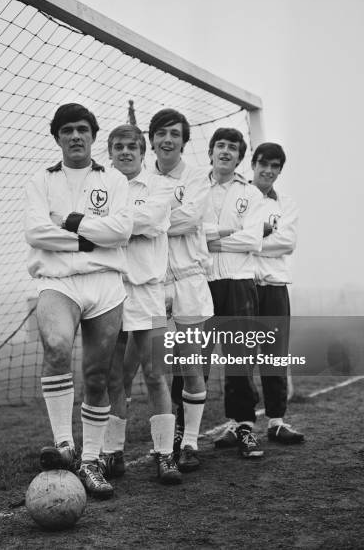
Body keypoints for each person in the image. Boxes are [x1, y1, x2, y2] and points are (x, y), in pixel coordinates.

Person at [24, 103, 132, 499]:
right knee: (55, 347)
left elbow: (121, 231)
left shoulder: (115, 180)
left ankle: (90, 462)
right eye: (67, 130)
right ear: (57, 137)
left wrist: (69, 227)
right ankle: (64, 446)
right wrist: (90, 238)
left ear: (92, 135)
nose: (75, 136)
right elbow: (36, 232)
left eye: (82, 129)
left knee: (98, 376)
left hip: (106, 284)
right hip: (58, 281)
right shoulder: (41, 180)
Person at [101, 124, 182, 485]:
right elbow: (92, 227)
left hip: (148, 291)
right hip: (111, 289)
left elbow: (149, 222)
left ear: (142, 151)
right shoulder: (100, 187)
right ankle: (112, 454)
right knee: (113, 377)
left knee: (154, 374)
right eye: (118, 147)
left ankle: (165, 455)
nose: (125, 152)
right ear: (110, 152)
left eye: (132, 146)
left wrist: (109, 225)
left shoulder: (160, 187)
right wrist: (103, 225)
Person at [150, 108, 213, 473]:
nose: (168, 139)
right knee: (156, 369)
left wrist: (151, 221)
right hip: (154, 286)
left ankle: (189, 442)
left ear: (184, 141)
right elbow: (134, 223)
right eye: (161, 133)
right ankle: (163, 442)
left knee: (191, 367)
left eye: (175, 133)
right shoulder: (141, 179)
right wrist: (156, 218)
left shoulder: (196, 178)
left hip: (189, 281)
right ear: (152, 139)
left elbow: (191, 218)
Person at [202, 127, 265, 458]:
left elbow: (253, 240)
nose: (225, 151)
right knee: (196, 360)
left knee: (240, 359)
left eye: (232, 147)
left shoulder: (251, 194)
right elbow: (186, 233)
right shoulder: (195, 189)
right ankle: (181, 437)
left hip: (239, 282)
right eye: (220, 145)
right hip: (200, 282)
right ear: (211, 151)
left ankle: (244, 426)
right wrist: (220, 236)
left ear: (240, 157)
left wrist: (210, 241)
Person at [251, 142, 304, 444]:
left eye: (275, 167)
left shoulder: (287, 204)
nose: (269, 171)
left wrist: (248, 239)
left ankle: (276, 421)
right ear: (254, 164)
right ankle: (238, 423)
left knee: (274, 358)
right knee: (240, 358)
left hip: (275, 289)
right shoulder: (239, 197)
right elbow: (229, 234)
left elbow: (288, 243)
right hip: (245, 287)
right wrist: (255, 235)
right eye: (264, 164)